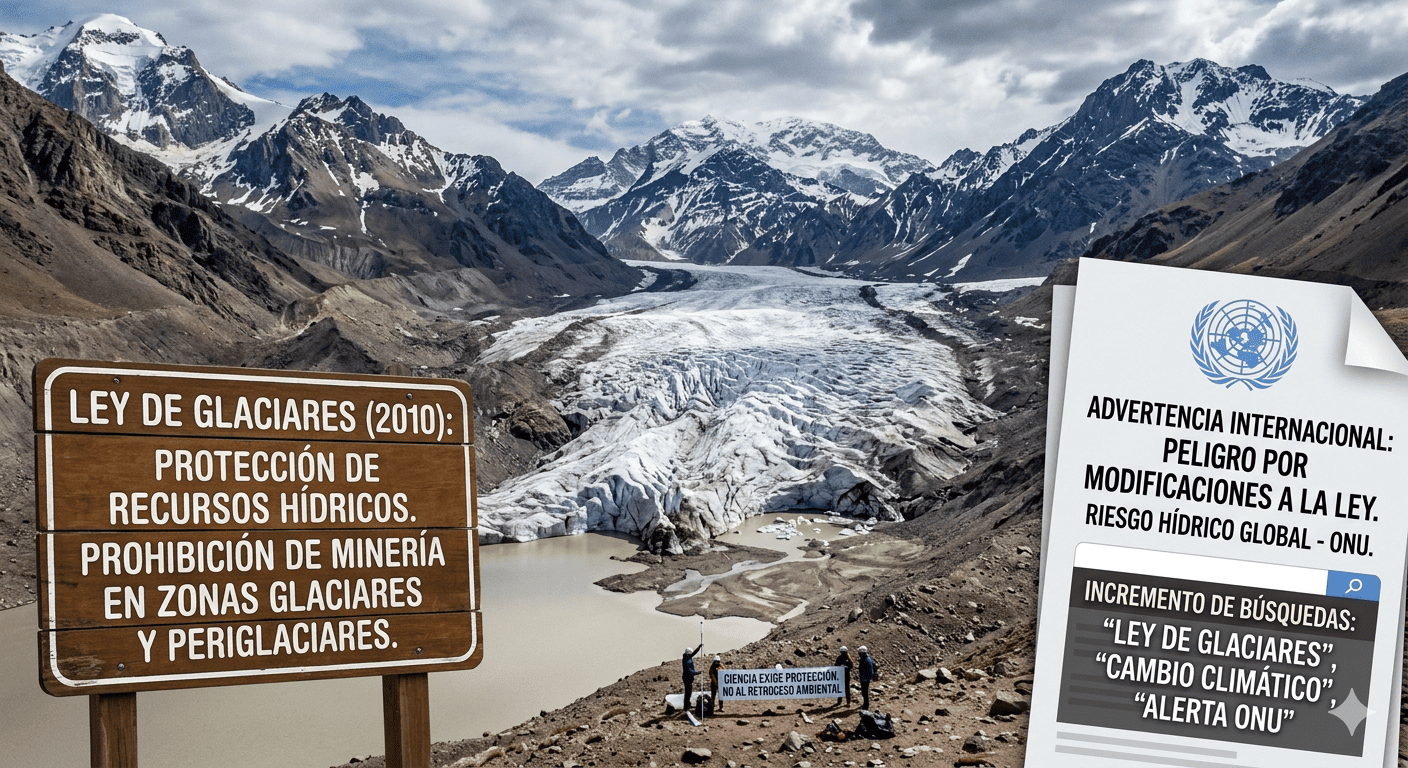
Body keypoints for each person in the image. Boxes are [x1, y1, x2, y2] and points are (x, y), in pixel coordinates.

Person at [681, 642, 703, 716]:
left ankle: (687, 706)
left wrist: (699, 647)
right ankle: (686, 708)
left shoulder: (688, 657)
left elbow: (693, 653)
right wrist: (697, 673)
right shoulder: (686, 660)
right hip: (687, 678)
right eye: (690, 653)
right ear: (688, 653)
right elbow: (689, 671)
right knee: (688, 693)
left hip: (689, 678)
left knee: (689, 692)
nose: (691, 654)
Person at [858, 646, 878, 711]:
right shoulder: (869, 658)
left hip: (864, 678)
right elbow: (874, 666)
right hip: (867, 678)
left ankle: (866, 706)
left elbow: (861, 669)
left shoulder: (864, 660)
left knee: (864, 692)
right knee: (865, 692)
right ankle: (865, 704)